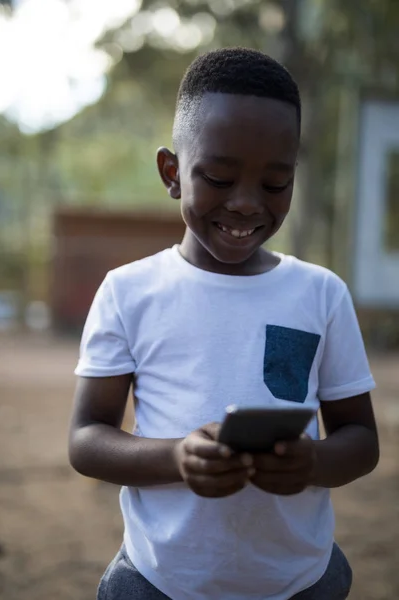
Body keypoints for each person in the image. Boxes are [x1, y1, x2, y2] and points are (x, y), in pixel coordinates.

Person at [68, 47, 379, 600]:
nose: (244, 204)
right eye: (217, 177)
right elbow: (87, 439)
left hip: (300, 580)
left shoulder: (321, 293)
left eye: (275, 185)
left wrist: (313, 463)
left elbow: (360, 440)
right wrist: (177, 456)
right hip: (160, 581)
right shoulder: (129, 291)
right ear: (172, 173)